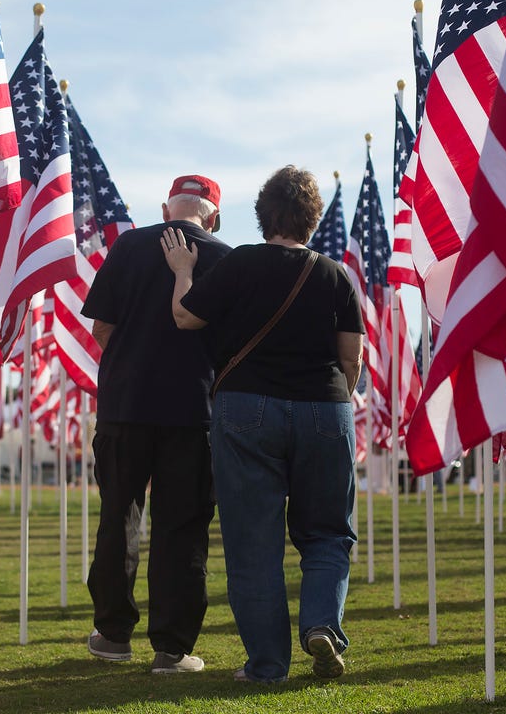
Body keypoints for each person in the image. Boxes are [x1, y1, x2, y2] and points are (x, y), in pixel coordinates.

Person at [161, 165, 364, 683]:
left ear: (262, 215)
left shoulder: (242, 264)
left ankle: (267, 665)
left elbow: (185, 317)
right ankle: (321, 623)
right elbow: (351, 360)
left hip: (246, 408)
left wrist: (183, 268)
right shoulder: (336, 275)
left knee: (253, 543)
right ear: (312, 219)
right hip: (325, 407)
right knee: (327, 534)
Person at [81, 174, 231, 674]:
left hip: (125, 405)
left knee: (119, 515)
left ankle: (112, 633)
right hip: (194, 411)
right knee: (182, 527)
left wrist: (132, 366)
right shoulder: (226, 257)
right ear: (214, 215)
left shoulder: (127, 247)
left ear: (167, 209)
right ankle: (171, 648)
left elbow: (102, 326)